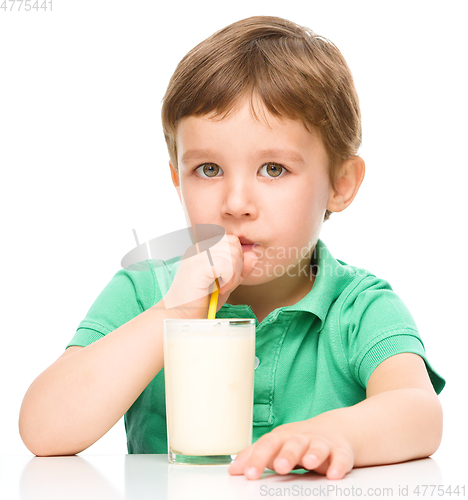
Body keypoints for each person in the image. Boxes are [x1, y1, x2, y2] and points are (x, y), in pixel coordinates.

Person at [19, 16, 445, 481]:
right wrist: (173, 315)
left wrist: (338, 432)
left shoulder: (359, 308)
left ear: (341, 184)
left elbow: (419, 411)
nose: (236, 204)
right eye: (207, 170)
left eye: (274, 169)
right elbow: (44, 430)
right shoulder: (145, 293)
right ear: (177, 179)